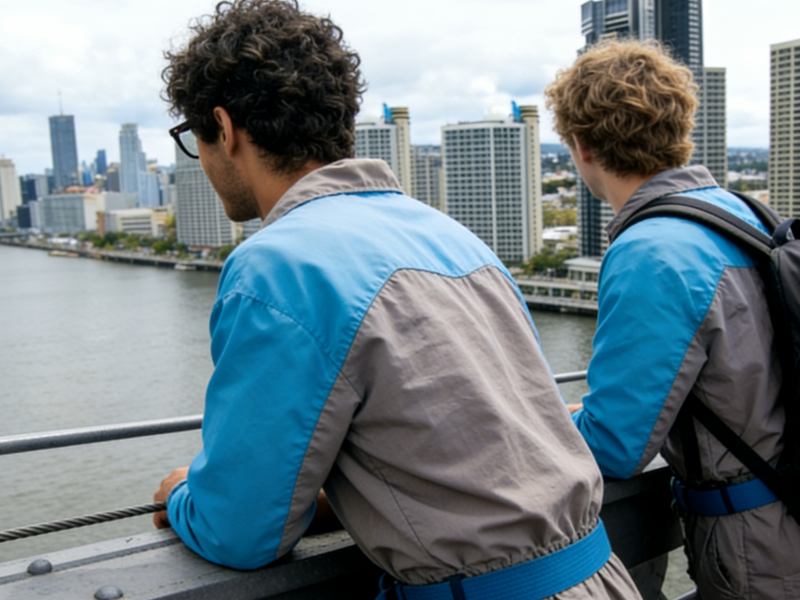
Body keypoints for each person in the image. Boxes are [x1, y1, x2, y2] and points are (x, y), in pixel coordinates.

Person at [152, 1, 642, 598]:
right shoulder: (452, 236)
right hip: (600, 577)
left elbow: (239, 531)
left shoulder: (276, 267)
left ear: (224, 129)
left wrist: (184, 494)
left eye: (194, 139)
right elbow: (463, 459)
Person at [544, 39, 800, 599]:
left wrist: (538, 424)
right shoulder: (744, 212)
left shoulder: (652, 252)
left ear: (581, 146)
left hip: (755, 544)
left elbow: (616, 447)